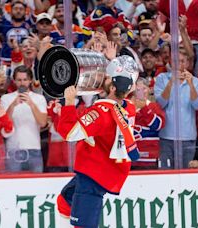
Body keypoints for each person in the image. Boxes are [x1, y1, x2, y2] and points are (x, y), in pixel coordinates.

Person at [56, 56, 140, 228]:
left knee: (83, 225)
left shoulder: (101, 113)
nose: (102, 78)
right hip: (104, 171)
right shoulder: (128, 107)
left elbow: (70, 133)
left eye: (107, 77)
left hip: (93, 176)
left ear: (113, 86)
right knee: (64, 202)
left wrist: (69, 103)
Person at [154, 48, 198, 169]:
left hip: (187, 136)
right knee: (165, 172)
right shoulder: (161, 78)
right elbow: (160, 104)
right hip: (166, 136)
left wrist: (190, 84)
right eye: (176, 61)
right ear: (171, 62)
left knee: (186, 173)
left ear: (187, 63)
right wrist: (171, 83)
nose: (179, 64)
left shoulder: (196, 81)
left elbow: (197, 105)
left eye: (182, 61)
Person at [0, 65, 47, 173]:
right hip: (13, 150)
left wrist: (31, 104)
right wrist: (12, 106)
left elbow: (43, 122)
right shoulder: (6, 99)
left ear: (30, 80)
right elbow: (4, 124)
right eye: (19, 80)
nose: (22, 83)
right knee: (13, 187)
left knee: (37, 187)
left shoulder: (39, 99)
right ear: (14, 81)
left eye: (25, 79)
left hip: (34, 149)